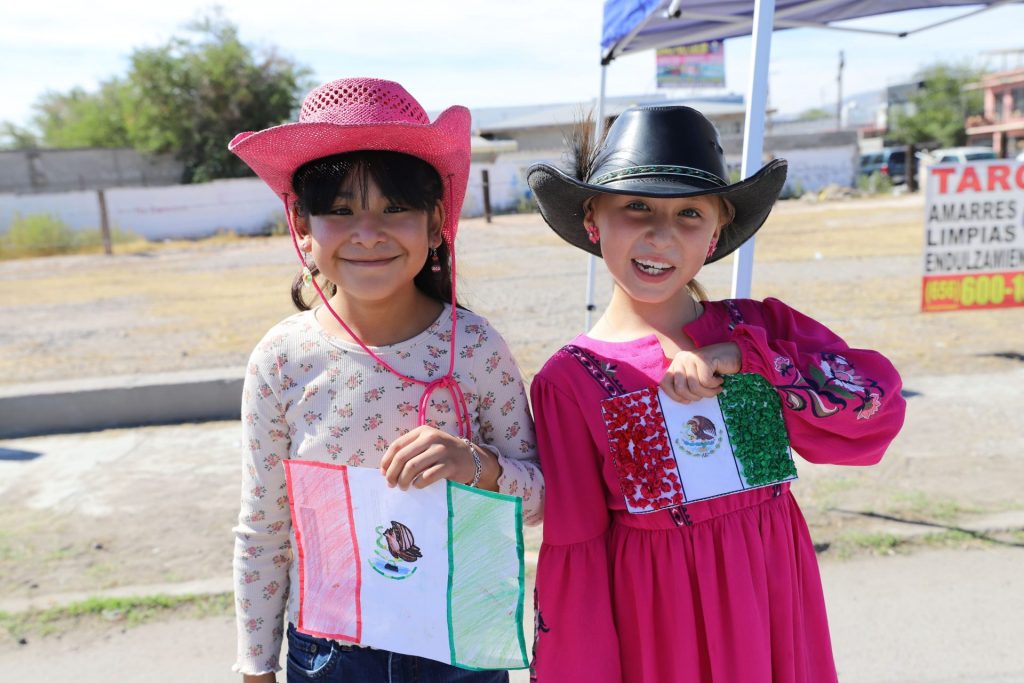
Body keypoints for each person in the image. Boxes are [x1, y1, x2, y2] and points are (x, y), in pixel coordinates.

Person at [526, 106, 905, 682]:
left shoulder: (758, 328)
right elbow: (577, 545)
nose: (661, 235)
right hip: (663, 629)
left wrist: (749, 358)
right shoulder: (571, 380)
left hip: (774, 596)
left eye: (689, 214)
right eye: (636, 207)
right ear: (593, 219)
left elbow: (875, 409)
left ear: (716, 232)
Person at [228, 78, 543, 683]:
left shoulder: (474, 349)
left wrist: (472, 464)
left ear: (435, 223)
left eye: (395, 208)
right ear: (301, 225)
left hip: (461, 642)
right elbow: (264, 530)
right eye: (340, 210)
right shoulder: (282, 360)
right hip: (331, 653)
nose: (368, 232)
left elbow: (541, 498)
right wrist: (256, 667)